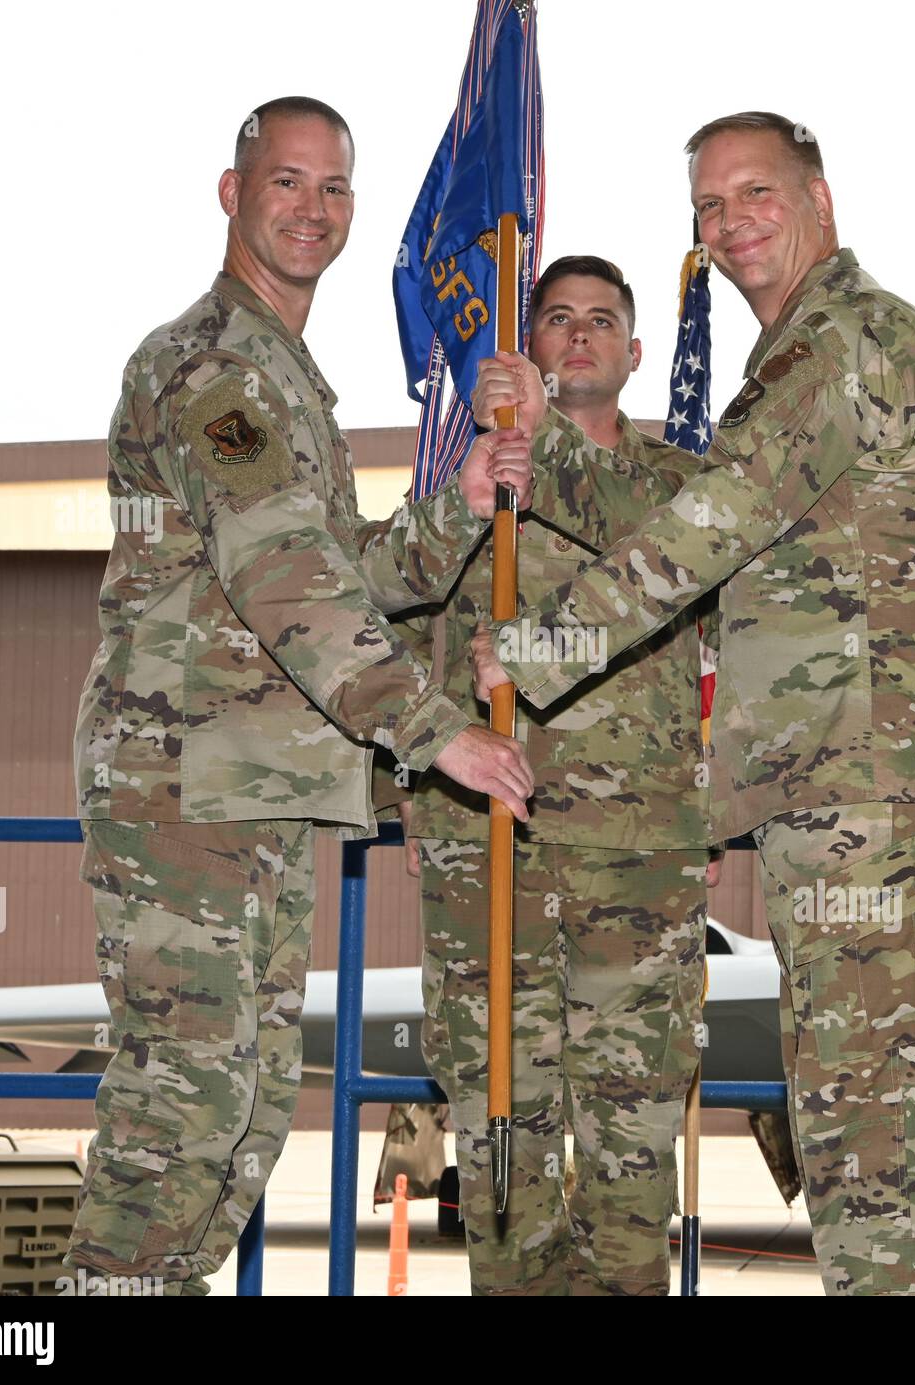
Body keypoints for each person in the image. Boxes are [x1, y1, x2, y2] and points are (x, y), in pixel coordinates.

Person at [471, 112, 915, 1296]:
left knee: (875, 1147)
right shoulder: (810, 354)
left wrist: (538, 651)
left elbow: (706, 532)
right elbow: (711, 511)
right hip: (851, 785)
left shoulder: (841, 344)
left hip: (871, 789)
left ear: (820, 198)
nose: (727, 224)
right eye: (707, 209)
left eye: (753, 193)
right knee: (873, 1123)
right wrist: (547, 451)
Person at [66, 95, 535, 1296]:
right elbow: (285, 578)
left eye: (332, 189)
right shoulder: (216, 364)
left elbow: (341, 566)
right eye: (287, 182)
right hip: (187, 787)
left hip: (254, 785)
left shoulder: (283, 376)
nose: (310, 209)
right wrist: (435, 735)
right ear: (233, 192)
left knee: (243, 1113)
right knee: (183, 1110)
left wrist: (460, 503)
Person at [394, 257, 718, 1295]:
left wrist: (557, 448)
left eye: (602, 322)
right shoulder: (471, 490)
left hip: (635, 869)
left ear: (633, 353)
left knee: (628, 1152)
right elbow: (392, 615)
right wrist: (475, 488)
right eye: (557, 319)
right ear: (524, 349)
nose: (579, 335)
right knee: (503, 1146)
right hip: (492, 862)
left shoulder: (678, 489)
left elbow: (673, 564)